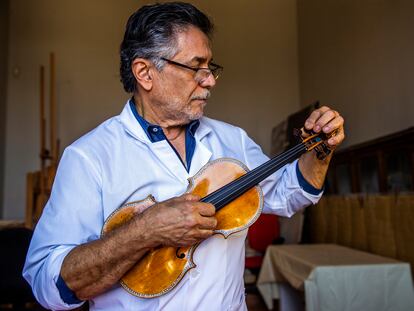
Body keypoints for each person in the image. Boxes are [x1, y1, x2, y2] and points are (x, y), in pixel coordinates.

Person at [23, 2, 345, 310]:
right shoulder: (89, 157)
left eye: (210, 67)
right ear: (145, 72)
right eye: (195, 67)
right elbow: (47, 283)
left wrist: (321, 150)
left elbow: (290, 193)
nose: (209, 81)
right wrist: (143, 231)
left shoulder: (232, 139)